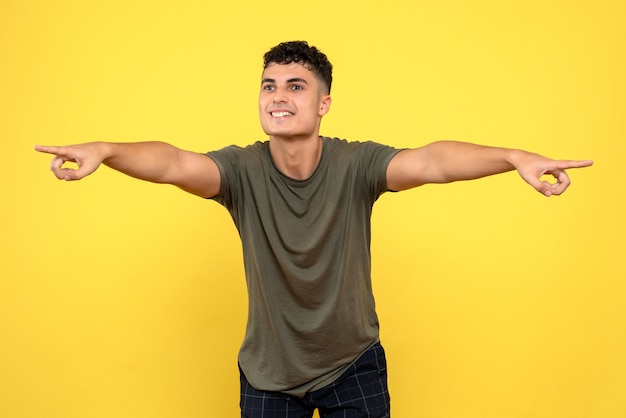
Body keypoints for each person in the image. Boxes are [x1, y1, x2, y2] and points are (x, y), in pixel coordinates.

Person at [35, 41, 592, 418]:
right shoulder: (239, 170)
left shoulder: (357, 164)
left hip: (354, 363)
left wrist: (514, 156)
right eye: (269, 85)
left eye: (296, 86)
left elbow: (433, 160)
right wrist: (106, 151)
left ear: (324, 103)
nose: (279, 95)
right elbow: (173, 162)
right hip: (267, 375)